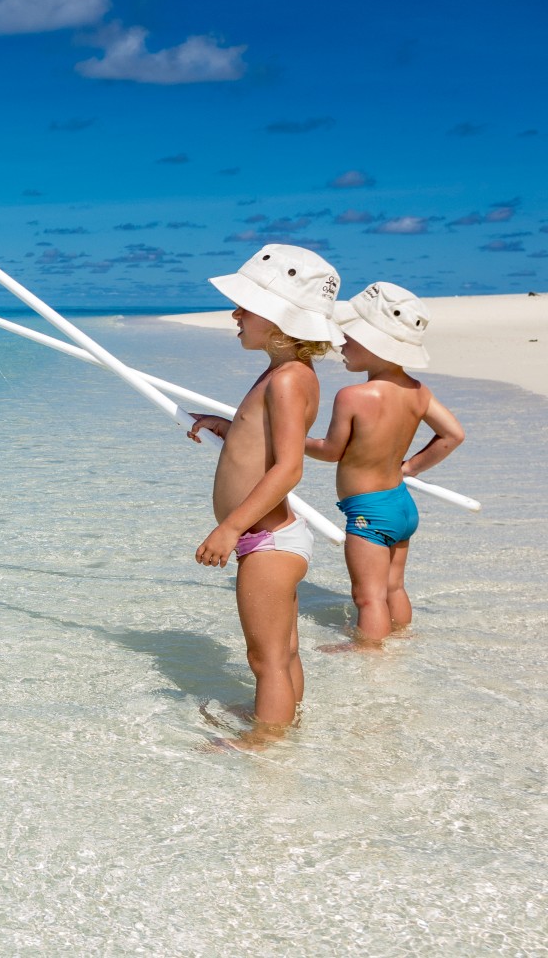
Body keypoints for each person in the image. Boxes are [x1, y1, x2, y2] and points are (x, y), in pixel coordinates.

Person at [188, 244, 343, 745]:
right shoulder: (283, 374)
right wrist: (229, 428)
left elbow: (289, 467)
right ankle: (280, 717)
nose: (235, 313)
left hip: (267, 540)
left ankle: (266, 744)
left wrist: (230, 527)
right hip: (272, 539)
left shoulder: (288, 380)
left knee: (266, 657)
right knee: (284, 650)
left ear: (279, 323)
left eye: (246, 307)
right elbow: (266, 438)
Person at [305, 282, 465, 649]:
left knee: (367, 596)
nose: (341, 345)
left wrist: (291, 440)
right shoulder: (418, 392)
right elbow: (453, 435)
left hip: (368, 512)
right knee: (393, 586)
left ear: (375, 344)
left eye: (349, 338)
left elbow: (331, 451)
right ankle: (401, 638)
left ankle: (369, 653)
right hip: (400, 504)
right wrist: (410, 468)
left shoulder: (353, 396)